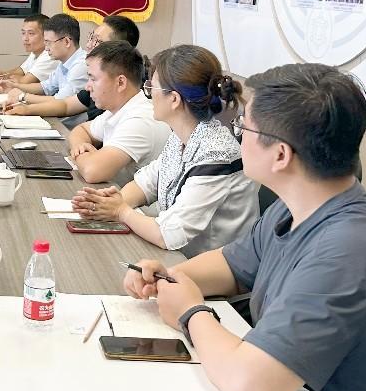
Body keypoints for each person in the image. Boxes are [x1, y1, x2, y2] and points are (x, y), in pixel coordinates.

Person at [122, 63, 366, 391]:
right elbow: (232, 264)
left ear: (280, 155)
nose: (236, 135)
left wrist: (190, 311)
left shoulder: (347, 250)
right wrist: (172, 277)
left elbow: (249, 386)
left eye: (243, 127)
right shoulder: (294, 207)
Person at [73, 44, 257, 255]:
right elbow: (147, 182)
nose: (148, 94)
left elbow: (170, 235)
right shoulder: (183, 136)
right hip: (175, 256)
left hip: (206, 266)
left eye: (152, 88)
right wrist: (108, 202)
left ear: (174, 99)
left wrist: (121, 211)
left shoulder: (217, 154)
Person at [65, 41, 169, 186]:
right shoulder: (119, 108)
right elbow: (81, 130)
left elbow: (92, 171)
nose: (87, 87)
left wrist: (80, 155)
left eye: (93, 79)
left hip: (130, 200)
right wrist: (80, 146)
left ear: (120, 83)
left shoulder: (140, 119)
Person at [5, 15, 141, 122]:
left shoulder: (130, 106)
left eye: (97, 41)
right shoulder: (94, 84)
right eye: (91, 37)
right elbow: (65, 105)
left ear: (118, 49)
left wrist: (23, 97)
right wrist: (25, 108)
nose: (88, 45)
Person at [0, 14, 88, 126]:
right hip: (54, 120)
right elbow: (45, 87)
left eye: (49, 43)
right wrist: (15, 86)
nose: (46, 48)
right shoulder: (64, 61)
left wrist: (23, 97)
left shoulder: (81, 66)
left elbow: (60, 102)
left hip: (67, 128)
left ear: (66, 42)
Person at [0, 13, 58, 83]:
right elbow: (22, 70)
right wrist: (4, 74)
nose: (25, 38)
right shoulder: (36, 51)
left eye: (31, 33)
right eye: (23, 33)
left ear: (46, 35)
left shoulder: (50, 55)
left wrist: (13, 78)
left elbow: (24, 82)